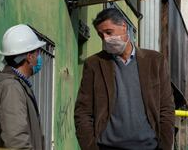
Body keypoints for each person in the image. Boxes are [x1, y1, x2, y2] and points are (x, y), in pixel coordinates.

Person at [74, 8, 175, 150]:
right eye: (101, 35)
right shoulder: (94, 64)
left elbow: (166, 109)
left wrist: (164, 146)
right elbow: (83, 112)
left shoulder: (155, 61)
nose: (106, 39)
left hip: (148, 147)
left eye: (109, 32)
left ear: (124, 27)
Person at [0, 24, 46, 149]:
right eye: (37, 52)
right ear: (29, 56)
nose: (39, 57)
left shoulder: (15, 85)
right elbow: (16, 142)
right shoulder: (11, 88)